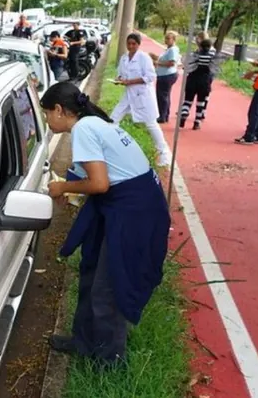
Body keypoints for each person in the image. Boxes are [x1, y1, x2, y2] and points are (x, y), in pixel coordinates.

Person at [41, 82, 170, 369]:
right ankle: (84, 341)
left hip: (134, 212)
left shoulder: (84, 129)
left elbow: (99, 184)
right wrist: (73, 188)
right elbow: (105, 176)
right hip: (131, 203)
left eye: (48, 113)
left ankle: (111, 362)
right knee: (91, 270)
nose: (48, 121)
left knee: (108, 286)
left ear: (60, 110)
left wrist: (62, 188)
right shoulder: (95, 123)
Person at [112, 33, 172, 167]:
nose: (131, 46)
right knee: (113, 119)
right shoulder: (124, 58)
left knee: (151, 123)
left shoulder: (144, 58)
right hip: (128, 95)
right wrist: (119, 80)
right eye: (129, 43)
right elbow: (120, 74)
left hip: (143, 95)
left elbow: (150, 76)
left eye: (134, 44)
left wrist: (130, 81)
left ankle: (164, 153)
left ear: (138, 45)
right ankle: (114, 148)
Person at [180, 38, 216, 130]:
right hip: (204, 81)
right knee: (201, 102)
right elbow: (214, 69)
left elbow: (185, 65)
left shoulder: (194, 55)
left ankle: (184, 114)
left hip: (192, 79)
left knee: (187, 100)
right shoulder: (211, 57)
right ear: (209, 47)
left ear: (200, 46)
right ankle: (197, 122)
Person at [152, 31, 181, 123]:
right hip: (164, 75)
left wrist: (157, 63)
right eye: (166, 38)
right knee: (165, 95)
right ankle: (165, 115)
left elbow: (171, 63)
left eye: (169, 38)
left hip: (167, 75)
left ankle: (162, 116)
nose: (166, 40)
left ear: (174, 40)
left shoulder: (173, 50)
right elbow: (164, 59)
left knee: (162, 96)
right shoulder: (168, 49)